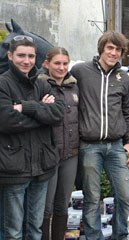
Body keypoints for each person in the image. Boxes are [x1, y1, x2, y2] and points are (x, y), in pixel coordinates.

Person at [70, 31, 129, 240]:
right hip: (89, 146)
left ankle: (120, 235)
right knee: (92, 197)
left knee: (124, 195)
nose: (113, 53)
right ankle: (93, 237)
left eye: (118, 49)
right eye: (110, 48)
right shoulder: (80, 71)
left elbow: (127, 113)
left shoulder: (124, 78)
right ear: (101, 48)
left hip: (116, 146)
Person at [0, 36, 64, 239]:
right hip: (14, 168)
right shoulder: (2, 84)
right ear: (10, 56)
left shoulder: (41, 83)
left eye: (30, 56)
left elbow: (58, 113)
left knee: (35, 229)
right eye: (21, 55)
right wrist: (42, 112)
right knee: (13, 232)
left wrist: (26, 107)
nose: (26, 61)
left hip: (41, 167)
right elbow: (6, 120)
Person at [39, 47, 79, 240]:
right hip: (48, 154)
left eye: (65, 63)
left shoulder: (74, 86)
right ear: (47, 64)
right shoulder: (39, 85)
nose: (62, 67)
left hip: (70, 153)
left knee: (63, 203)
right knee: (46, 206)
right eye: (57, 63)